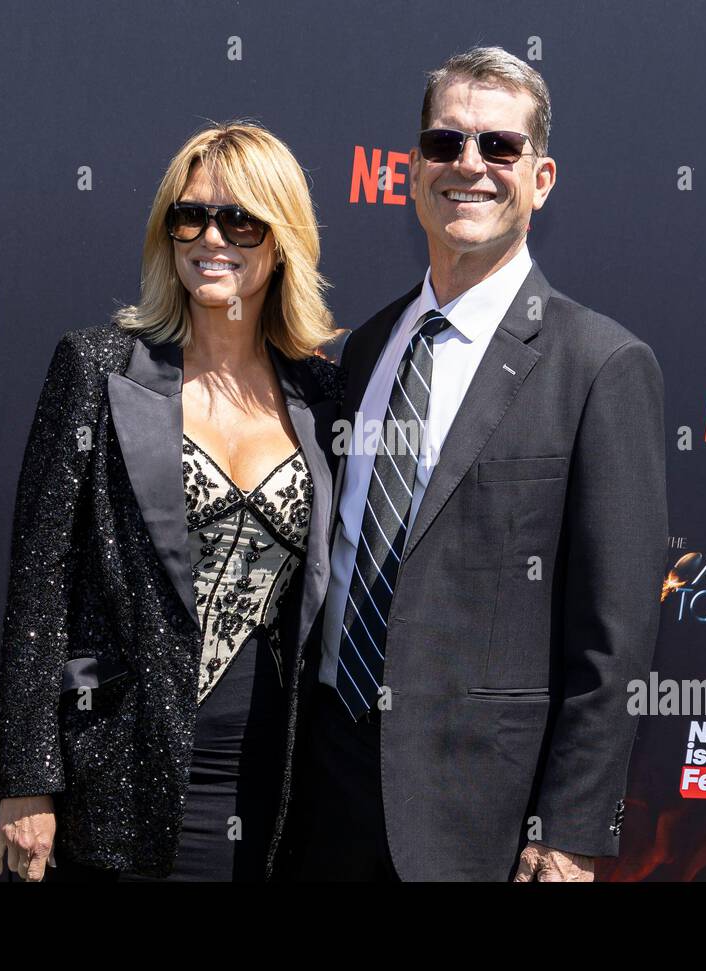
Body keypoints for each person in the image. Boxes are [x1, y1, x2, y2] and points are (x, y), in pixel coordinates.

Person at [285, 46, 668, 882]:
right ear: (413, 169)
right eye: (444, 143)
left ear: (541, 178)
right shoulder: (362, 351)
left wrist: (568, 829)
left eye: (499, 147)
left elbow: (617, 636)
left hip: (479, 827)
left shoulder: (600, 366)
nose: (469, 166)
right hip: (316, 797)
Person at [0, 121, 342, 882]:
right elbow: (41, 585)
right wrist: (27, 780)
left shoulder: (321, 394)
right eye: (192, 216)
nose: (212, 237)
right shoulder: (97, 367)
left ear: (281, 238)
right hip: (120, 765)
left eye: (240, 219)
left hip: (266, 771)